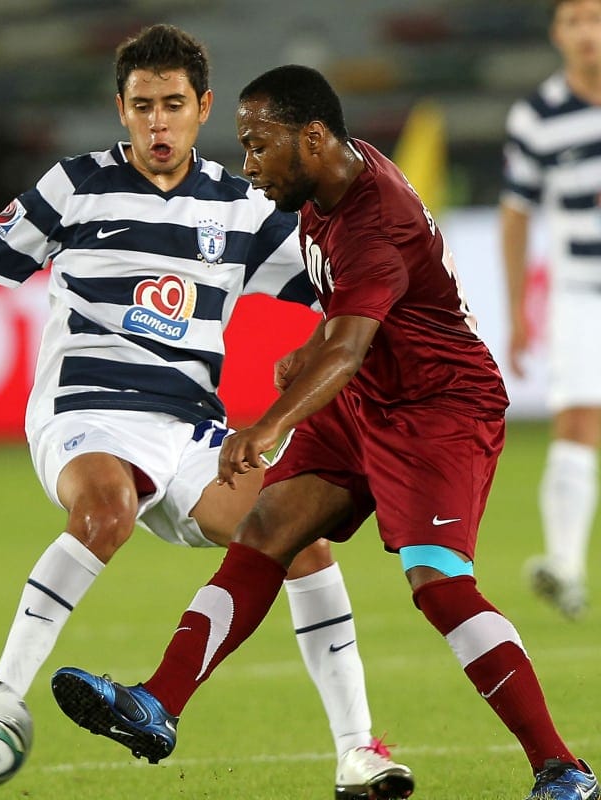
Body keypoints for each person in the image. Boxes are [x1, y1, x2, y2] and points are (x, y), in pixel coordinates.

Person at [0, 26, 412, 800]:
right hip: (83, 409)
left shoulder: (242, 206)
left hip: (192, 429)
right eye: (144, 106)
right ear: (120, 110)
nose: (160, 123)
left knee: (301, 538)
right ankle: (2, 692)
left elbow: (347, 294)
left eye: (175, 106)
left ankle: (357, 753)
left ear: (204, 109)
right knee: (107, 508)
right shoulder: (75, 185)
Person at [51, 65, 600, 800]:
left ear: (311, 139)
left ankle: (562, 768)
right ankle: (158, 701)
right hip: (370, 393)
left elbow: (345, 345)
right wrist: (311, 354)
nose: (247, 165)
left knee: (437, 584)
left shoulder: (374, 219)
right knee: (269, 524)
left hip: (439, 408)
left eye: (257, 146)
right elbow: (350, 332)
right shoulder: (325, 185)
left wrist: (270, 425)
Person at [501, 0, 601, 620]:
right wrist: (518, 311)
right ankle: (566, 566)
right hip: (578, 294)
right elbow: (516, 218)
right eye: (575, 21)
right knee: (577, 421)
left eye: (597, 18)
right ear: (557, 33)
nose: (588, 32)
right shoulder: (537, 116)